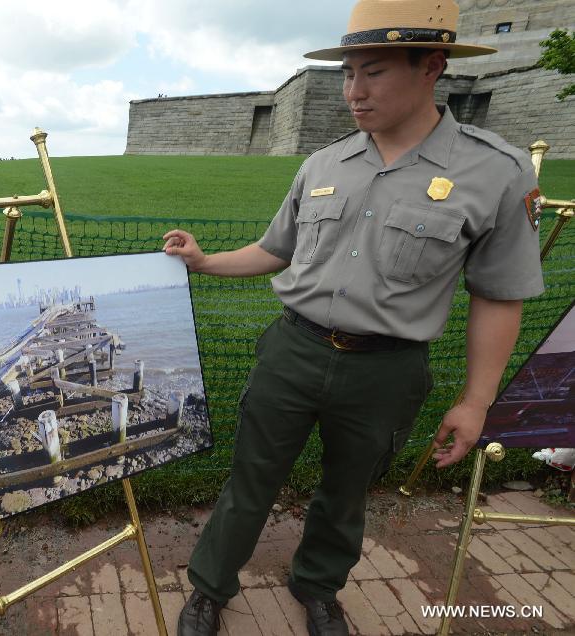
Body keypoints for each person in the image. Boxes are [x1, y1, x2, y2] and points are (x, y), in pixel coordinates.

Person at [165, 2, 544, 635]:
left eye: (373, 72)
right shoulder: (324, 164)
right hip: (293, 351)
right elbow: (275, 251)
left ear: (433, 67)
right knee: (249, 480)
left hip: (386, 370)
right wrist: (204, 262)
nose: (354, 92)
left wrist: (477, 401)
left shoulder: (495, 173)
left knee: (346, 494)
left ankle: (318, 588)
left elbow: (500, 294)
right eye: (347, 73)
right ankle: (209, 588)